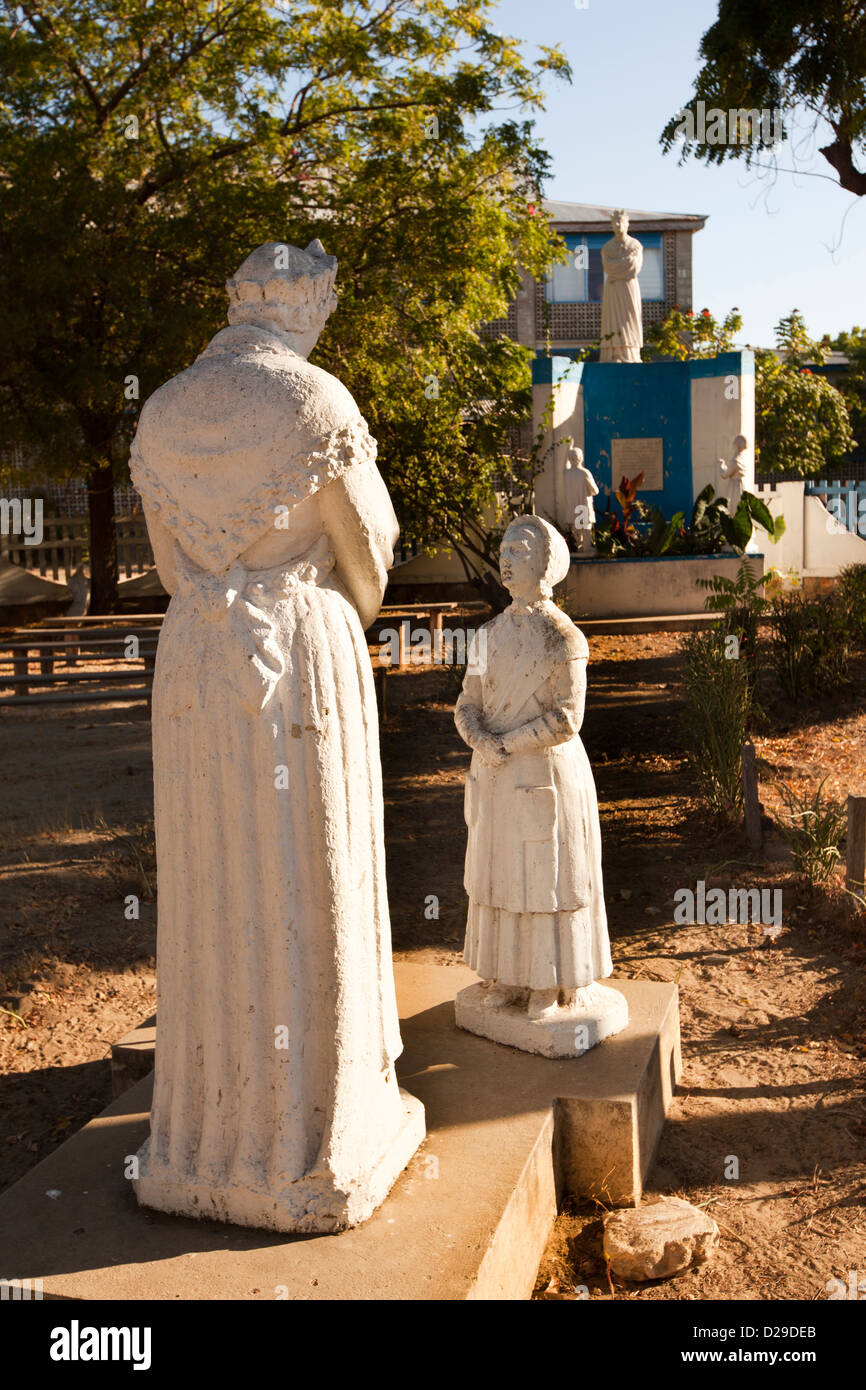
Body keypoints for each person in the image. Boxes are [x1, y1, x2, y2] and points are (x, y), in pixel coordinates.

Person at [129, 239, 423, 1232]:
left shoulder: (162, 409)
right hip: (296, 653)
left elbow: (173, 566)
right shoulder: (315, 402)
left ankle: (206, 1139)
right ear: (298, 304)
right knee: (308, 874)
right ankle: (315, 1135)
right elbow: (369, 559)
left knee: (215, 881)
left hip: (196, 663)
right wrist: (310, 602)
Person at [454, 515, 614, 1021]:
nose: (506, 557)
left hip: (545, 775)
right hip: (497, 779)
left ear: (546, 563)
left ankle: (549, 983)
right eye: (503, 548)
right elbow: (466, 704)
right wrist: (482, 740)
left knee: (546, 879)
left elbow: (568, 717)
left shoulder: (564, 639)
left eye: (520, 549)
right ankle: (504, 978)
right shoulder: (486, 637)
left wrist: (509, 742)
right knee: (499, 876)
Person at [600, 209, 643, 363]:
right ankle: (613, 354)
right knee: (612, 321)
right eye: (615, 223)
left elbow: (633, 268)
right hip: (613, 288)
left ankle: (630, 354)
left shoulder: (635, 245)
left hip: (628, 287)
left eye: (621, 222)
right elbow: (607, 267)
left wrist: (617, 267)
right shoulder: (607, 248)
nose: (618, 225)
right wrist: (623, 264)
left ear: (627, 223)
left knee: (630, 319)